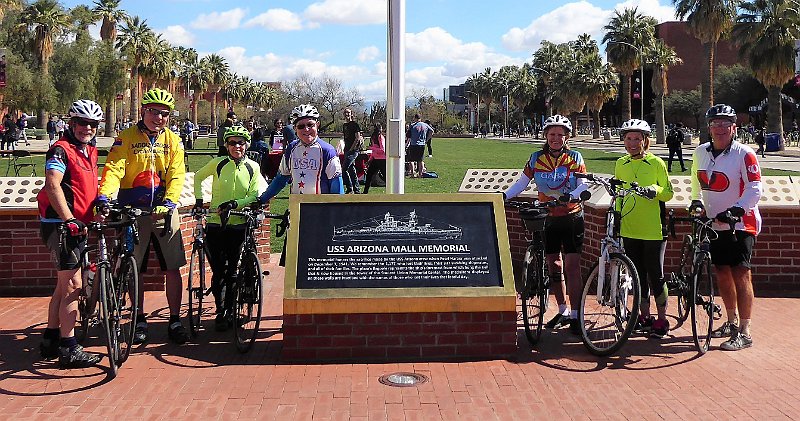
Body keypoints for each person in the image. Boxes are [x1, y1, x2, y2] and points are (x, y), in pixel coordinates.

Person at [96, 87, 189, 345]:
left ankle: (174, 319)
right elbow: (114, 168)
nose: (158, 117)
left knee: (173, 268)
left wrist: (170, 200)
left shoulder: (173, 141)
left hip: (163, 211)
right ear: (143, 111)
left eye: (164, 114)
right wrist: (105, 194)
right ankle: (138, 318)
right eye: (153, 112)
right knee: (133, 267)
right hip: (132, 211)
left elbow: (177, 173)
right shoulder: (126, 138)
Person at [503, 115, 588, 335]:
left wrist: (570, 196)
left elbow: (583, 185)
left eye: (560, 134)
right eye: (552, 134)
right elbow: (522, 183)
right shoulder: (535, 158)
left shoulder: (574, 157)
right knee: (554, 266)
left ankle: (577, 315)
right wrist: (503, 196)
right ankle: (562, 310)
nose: (556, 138)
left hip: (571, 217)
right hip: (547, 217)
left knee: (571, 267)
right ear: (546, 136)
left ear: (567, 137)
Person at [37, 100, 105, 368]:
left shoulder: (90, 150)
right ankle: (69, 348)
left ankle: (51, 337)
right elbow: (53, 185)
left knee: (62, 285)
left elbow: (87, 185)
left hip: (78, 223)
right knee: (73, 286)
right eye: (82, 122)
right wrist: (70, 219)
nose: (87, 128)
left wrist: (99, 204)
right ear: (71, 122)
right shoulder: (60, 150)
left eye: (92, 124)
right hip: (60, 225)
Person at [690, 104, 762, 351]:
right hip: (713, 223)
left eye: (725, 123)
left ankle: (745, 330)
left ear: (734, 127)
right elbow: (695, 181)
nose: (719, 128)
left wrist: (737, 210)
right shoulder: (700, 152)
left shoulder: (745, 153)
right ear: (708, 127)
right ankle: (730, 322)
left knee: (741, 273)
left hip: (741, 224)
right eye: (715, 123)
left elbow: (755, 188)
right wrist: (696, 200)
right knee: (721, 271)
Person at [194, 126, 266, 331]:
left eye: (241, 143)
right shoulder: (218, 163)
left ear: (247, 145)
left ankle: (229, 310)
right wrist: (200, 201)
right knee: (218, 271)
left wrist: (236, 204)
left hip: (239, 223)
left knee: (234, 271)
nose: (237, 146)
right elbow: (198, 177)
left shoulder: (253, 166)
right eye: (233, 143)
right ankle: (220, 310)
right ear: (226, 145)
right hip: (216, 224)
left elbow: (255, 194)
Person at [614, 119, 674, 338]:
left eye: (637, 139)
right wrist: (617, 216)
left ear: (645, 141)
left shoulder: (656, 163)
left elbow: (668, 192)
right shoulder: (621, 163)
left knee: (655, 275)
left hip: (653, 230)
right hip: (630, 228)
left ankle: (662, 319)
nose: (632, 143)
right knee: (636, 275)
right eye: (629, 139)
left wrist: (655, 190)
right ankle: (644, 316)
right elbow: (619, 193)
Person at [258, 103, 344, 202]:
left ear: (317, 125)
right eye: (301, 126)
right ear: (295, 128)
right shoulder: (291, 148)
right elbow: (280, 179)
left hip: (320, 210)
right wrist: (262, 199)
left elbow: (337, 186)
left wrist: (337, 211)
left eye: (310, 125)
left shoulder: (328, 151)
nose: (306, 129)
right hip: (296, 209)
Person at [341, 108, 362, 194]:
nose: (347, 114)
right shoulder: (345, 125)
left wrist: (352, 149)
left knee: (344, 169)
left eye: (348, 113)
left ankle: (349, 188)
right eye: (345, 113)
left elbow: (357, 138)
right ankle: (357, 190)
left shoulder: (355, 125)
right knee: (351, 170)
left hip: (353, 151)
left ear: (351, 114)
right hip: (346, 149)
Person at [363, 123, 386, 194]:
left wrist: (371, 148)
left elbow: (382, 150)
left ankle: (391, 190)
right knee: (369, 174)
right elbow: (374, 151)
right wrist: (370, 160)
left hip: (382, 159)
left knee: (385, 176)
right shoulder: (373, 137)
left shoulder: (380, 137)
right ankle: (365, 191)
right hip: (375, 159)